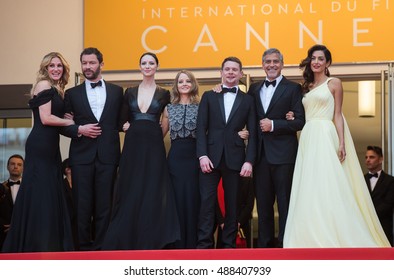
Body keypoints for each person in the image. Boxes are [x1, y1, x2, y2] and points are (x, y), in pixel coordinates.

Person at [283, 44, 390, 247]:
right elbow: (303, 114)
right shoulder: (305, 87)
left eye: (321, 59)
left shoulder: (335, 83)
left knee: (328, 183)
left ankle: (334, 232)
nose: (316, 62)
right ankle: (309, 235)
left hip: (325, 134)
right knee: (309, 185)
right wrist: (293, 116)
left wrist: (341, 142)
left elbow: (338, 115)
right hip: (307, 136)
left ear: (328, 63)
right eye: (313, 58)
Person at [102, 52, 180, 250]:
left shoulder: (164, 93)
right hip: (132, 146)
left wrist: (154, 134)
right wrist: (126, 126)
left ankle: (153, 236)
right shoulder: (129, 92)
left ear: (157, 66)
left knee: (153, 187)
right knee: (131, 185)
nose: (147, 66)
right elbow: (120, 121)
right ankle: (127, 236)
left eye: (151, 63)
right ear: (139, 67)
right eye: (144, 63)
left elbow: (166, 121)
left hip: (154, 146)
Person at [2, 52, 75, 252]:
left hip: (50, 145)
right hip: (41, 144)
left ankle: (48, 242)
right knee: (42, 192)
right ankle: (38, 244)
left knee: (49, 192)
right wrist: (70, 121)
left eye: (59, 66)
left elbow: (55, 117)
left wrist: (67, 116)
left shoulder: (58, 90)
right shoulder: (44, 85)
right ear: (45, 68)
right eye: (52, 66)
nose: (56, 69)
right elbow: (46, 118)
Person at [63, 47, 123, 250]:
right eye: (84, 63)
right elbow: (64, 125)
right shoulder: (71, 93)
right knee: (82, 204)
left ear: (101, 64)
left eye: (92, 63)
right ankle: (81, 248)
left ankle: (103, 248)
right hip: (81, 156)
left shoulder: (117, 91)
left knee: (105, 205)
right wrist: (79, 129)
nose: (87, 67)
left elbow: (122, 122)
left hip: (108, 155)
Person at [196, 56, 257, 249]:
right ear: (221, 72)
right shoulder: (209, 96)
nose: (230, 72)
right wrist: (202, 155)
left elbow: (253, 133)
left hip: (236, 158)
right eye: (227, 69)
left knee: (233, 205)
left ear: (240, 74)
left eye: (234, 69)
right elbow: (200, 128)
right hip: (210, 158)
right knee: (206, 203)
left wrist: (249, 161)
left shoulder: (248, 100)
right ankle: (204, 246)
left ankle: (228, 247)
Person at [247, 48, 305, 248]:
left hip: (284, 156)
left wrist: (274, 124)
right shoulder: (253, 89)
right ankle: (264, 249)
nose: (271, 65)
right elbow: (245, 114)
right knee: (263, 207)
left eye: (275, 61)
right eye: (267, 62)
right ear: (262, 65)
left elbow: (300, 122)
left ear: (282, 64)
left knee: (285, 204)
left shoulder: (293, 88)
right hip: (260, 156)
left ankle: (286, 247)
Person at [161, 70, 200, 249]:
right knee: (175, 201)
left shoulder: (202, 106)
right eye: (180, 81)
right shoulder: (168, 108)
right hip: (175, 160)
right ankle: (176, 245)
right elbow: (159, 134)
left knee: (193, 200)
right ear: (176, 86)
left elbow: (212, 132)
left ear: (193, 84)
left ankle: (193, 245)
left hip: (195, 159)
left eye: (187, 81)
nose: (184, 84)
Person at [364, 145, 394, 246]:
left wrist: (369, 215)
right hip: (364, 229)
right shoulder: (360, 180)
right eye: (366, 157)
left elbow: (388, 204)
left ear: (380, 159)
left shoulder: (391, 181)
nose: (368, 160)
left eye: (372, 157)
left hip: (383, 229)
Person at [0, 154, 24, 250]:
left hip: (24, 234)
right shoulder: (1, 188)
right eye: (12, 164)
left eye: (19, 164)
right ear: (7, 167)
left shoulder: (31, 190)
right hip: (3, 235)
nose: (15, 167)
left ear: (23, 168)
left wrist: (18, 225)